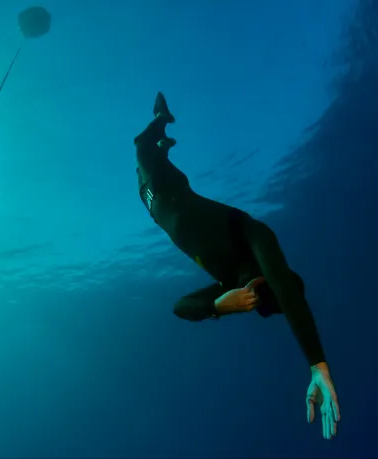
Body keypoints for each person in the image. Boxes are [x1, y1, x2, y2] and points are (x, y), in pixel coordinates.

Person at [135, 92, 341, 440]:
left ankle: (164, 146)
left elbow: (180, 308)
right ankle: (162, 117)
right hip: (169, 187)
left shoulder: (229, 287)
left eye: (256, 301)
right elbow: (287, 291)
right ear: (274, 277)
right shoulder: (253, 233)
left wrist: (217, 306)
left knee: (148, 168)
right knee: (142, 144)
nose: (254, 289)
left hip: (152, 202)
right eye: (264, 286)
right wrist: (317, 364)